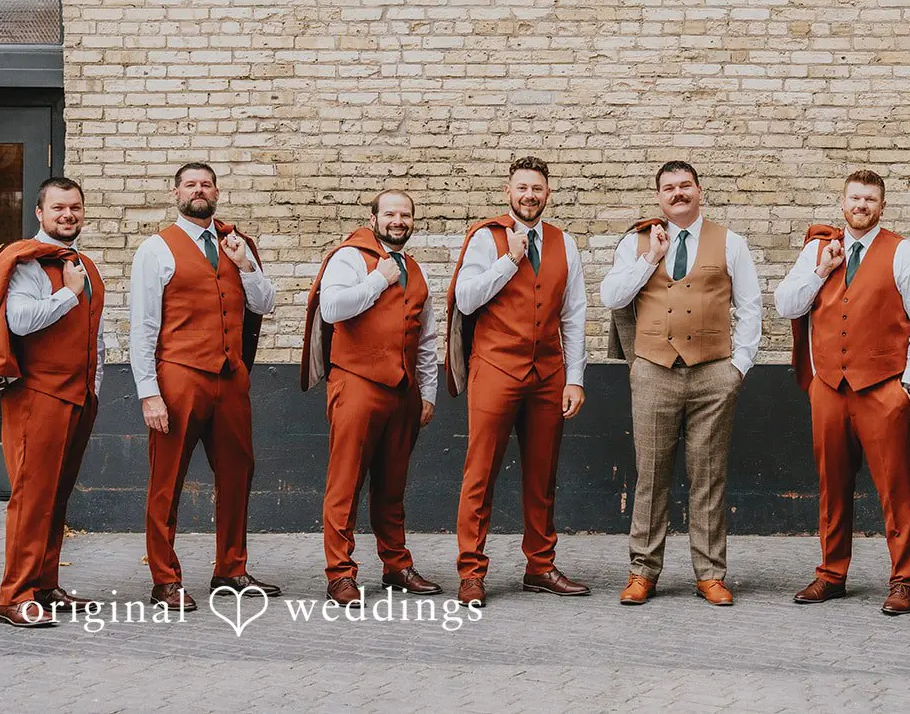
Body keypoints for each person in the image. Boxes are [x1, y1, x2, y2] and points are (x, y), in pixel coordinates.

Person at [0, 178, 108, 627]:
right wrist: (68, 292)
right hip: (37, 395)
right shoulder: (25, 262)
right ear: (40, 213)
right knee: (31, 497)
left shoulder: (83, 264)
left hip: (79, 395)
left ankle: (45, 585)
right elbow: (20, 320)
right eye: (58, 208)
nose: (67, 215)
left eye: (74, 207)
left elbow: (91, 332)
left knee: (56, 496)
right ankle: (14, 596)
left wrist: (95, 384)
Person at [774, 169, 910, 615]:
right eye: (854, 198)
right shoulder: (817, 250)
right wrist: (820, 271)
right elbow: (786, 303)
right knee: (832, 484)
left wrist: (909, 385)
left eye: (870, 199)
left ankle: (904, 579)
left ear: (882, 207)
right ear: (842, 203)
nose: (861, 205)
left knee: (895, 487)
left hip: (883, 386)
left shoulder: (903, 253)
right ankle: (831, 573)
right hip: (828, 385)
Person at [601, 161, 761, 607]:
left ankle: (710, 573)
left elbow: (750, 307)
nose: (678, 194)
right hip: (653, 369)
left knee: (709, 477)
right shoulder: (636, 242)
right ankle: (642, 571)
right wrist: (650, 258)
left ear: (699, 191)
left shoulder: (732, 242)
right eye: (669, 188)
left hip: (714, 371)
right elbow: (612, 297)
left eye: (685, 186)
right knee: (651, 476)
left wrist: (739, 368)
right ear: (659, 196)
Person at [131, 163, 278, 611]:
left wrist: (245, 265)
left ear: (217, 192)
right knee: (167, 480)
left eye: (206, 184)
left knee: (238, 473)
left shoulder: (237, 245)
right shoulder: (156, 249)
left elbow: (265, 304)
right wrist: (148, 391)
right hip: (179, 377)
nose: (199, 190)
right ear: (176, 193)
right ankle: (165, 579)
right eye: (190, 184)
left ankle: (231, 569)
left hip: (231, 378)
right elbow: (143, 325)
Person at [447, 156, 589, 605]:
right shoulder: (485, 239)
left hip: (548, 373)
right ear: (509, 192)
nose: (530, 195)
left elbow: (575, 314)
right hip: (495, 369)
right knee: (480, 474)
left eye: (538, 188)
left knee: (542, 475)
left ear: (548, 194)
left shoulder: (565, 243)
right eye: (522, 188)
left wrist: (575, 378)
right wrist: (509, 260)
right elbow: (466, 300)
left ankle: (540, 566)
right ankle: (471, 571)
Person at [302, 190, 442, 605]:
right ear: (374, 217)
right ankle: (339, 574)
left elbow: (427, 335)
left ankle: (396, 565)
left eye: (406, 214)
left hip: (403, 389)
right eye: (391, 214)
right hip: (357, 383)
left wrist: (428, 391)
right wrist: (378, 279)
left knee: (392, 485)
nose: (398, 221)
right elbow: (332, 308)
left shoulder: (415, 270)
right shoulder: (349, 256)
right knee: (345, 483)